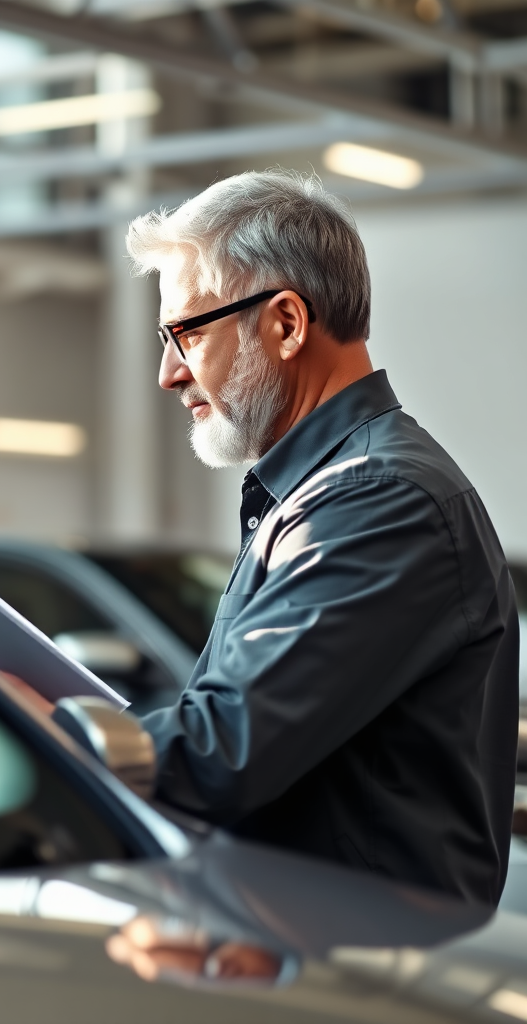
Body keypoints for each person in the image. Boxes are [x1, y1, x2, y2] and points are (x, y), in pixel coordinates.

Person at [124, 170, 518, 905]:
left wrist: (42, 726)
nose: (168, 372)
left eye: (186, 332)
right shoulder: (331, 489)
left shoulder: (378, 498)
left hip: (363, 980)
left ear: (285, 324)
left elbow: (225, 751)